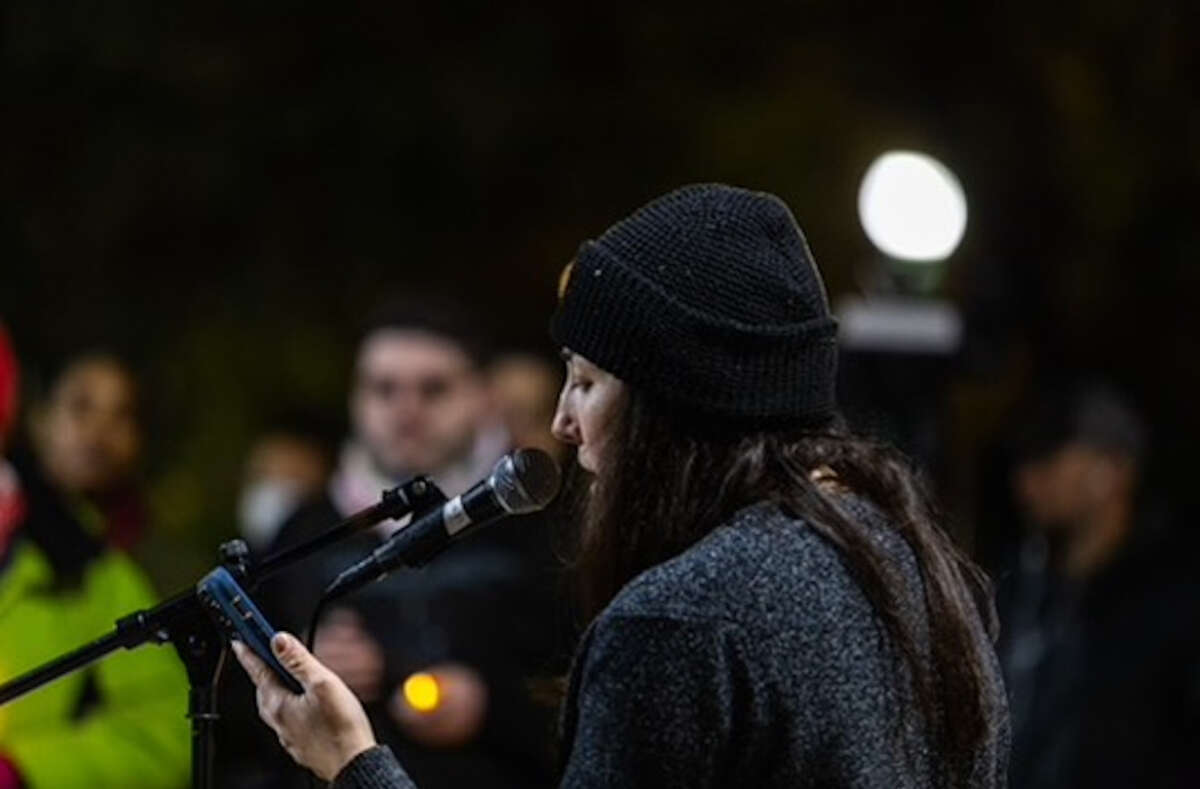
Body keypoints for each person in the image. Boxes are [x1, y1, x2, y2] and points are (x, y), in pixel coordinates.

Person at [234, 184, 1010, 788]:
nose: (564, 425)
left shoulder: (676, 621)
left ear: (669, 402)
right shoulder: (910, 561)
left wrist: (353, 761)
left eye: (586, 381)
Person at [231, 302, 563, 789]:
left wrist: (491, 703)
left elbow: (598, 697)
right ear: (355, 398)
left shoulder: (540, 530)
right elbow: (229, 712)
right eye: (383, 389)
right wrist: (291, 667)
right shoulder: (301, 534)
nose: (406, 410)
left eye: (434, 389)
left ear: (484, 397)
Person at [0, 346, 189, 789]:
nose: (99, 434)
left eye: (121, 415)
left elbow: (166, 734)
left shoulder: (115, 571)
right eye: (81, 407)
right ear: (38, 418)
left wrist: (24, 769)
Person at [997, 383, 1200, 787]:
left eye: (1049, 457)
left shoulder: (1169, 603)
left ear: (1110, 469)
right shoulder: (1021, 587)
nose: (1027, 477)